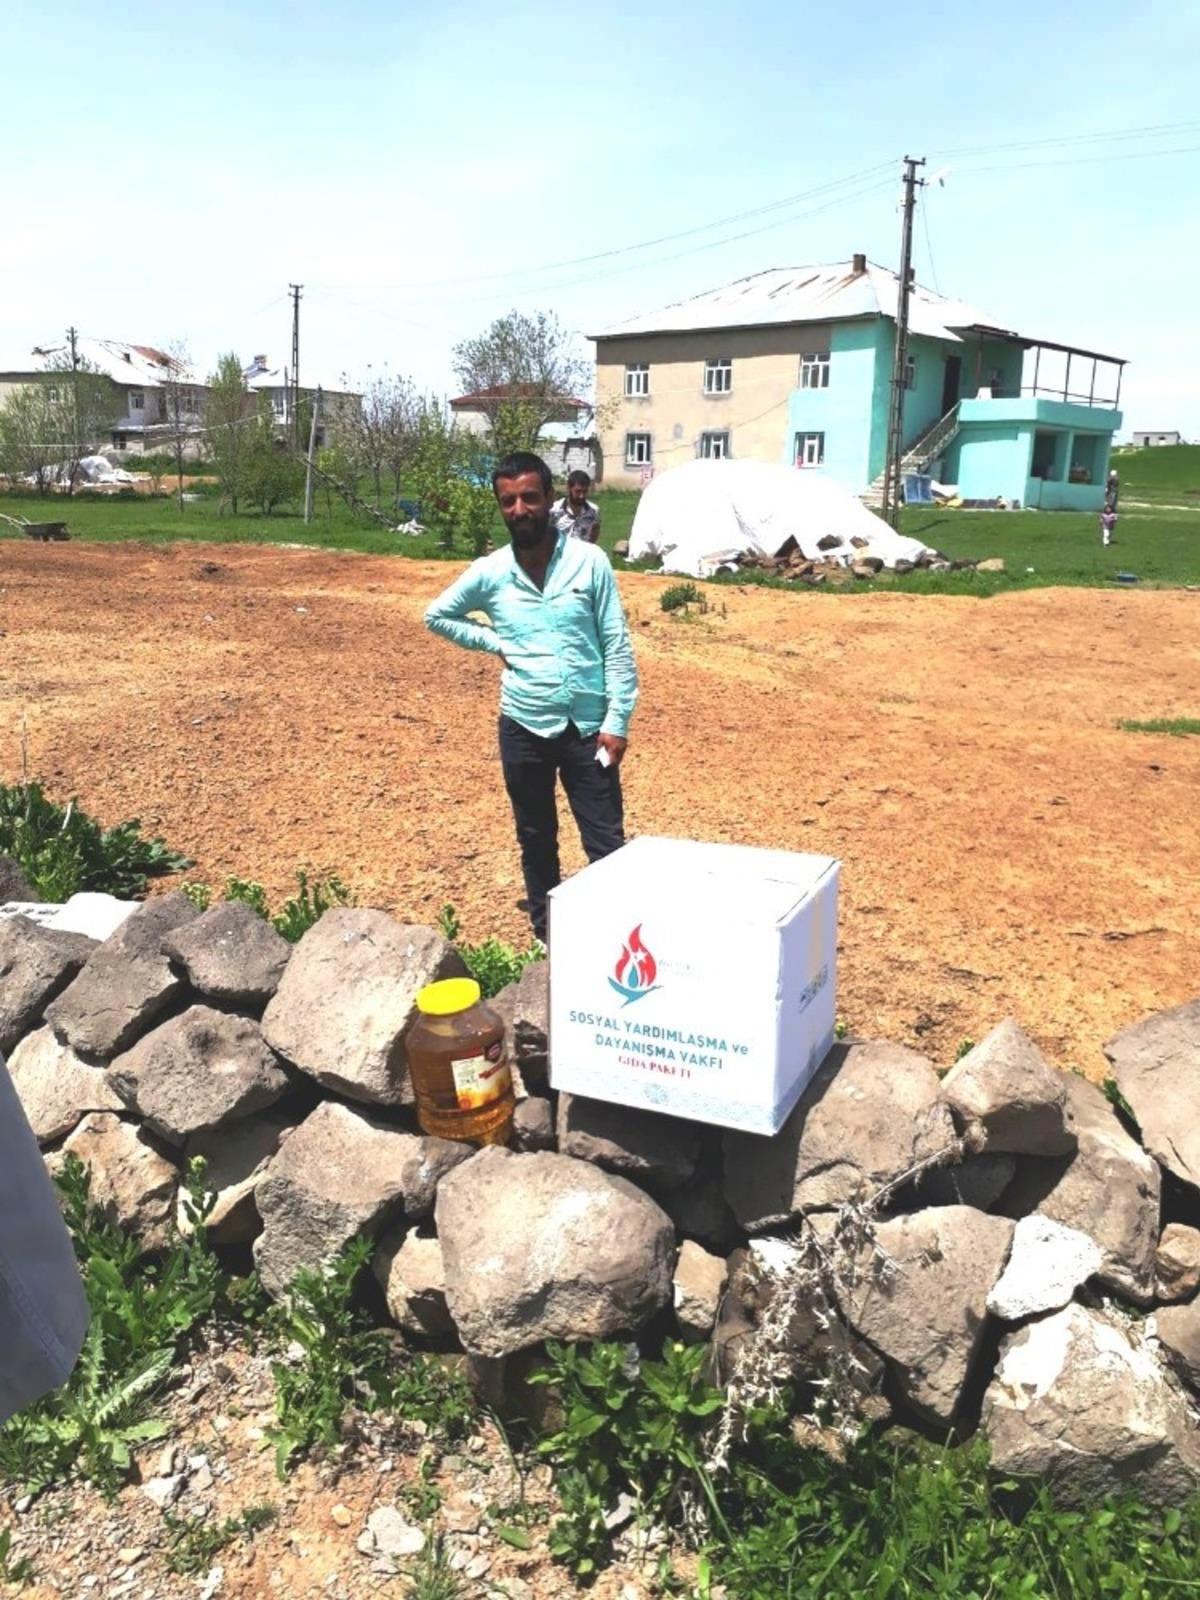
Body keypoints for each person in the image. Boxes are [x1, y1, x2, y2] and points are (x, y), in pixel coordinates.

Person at [424, 451, 637, 944]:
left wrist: (618, 719)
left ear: (550, 497)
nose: (520, 510)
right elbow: (437, 615)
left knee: (606, 841)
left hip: (589, 730)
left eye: (530, 497)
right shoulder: (492, 571)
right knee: (536, 837)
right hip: (523, 727)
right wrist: (494, 641)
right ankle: (548, 936)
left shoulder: (590, 563)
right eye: (508, 501)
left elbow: (617, 646)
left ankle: (620, 937)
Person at [550, 469, 601, 543]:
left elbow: (595, 532)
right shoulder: (554, 510)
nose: (581, 496)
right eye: (578, 491)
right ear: (568, 488)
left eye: (585, 491)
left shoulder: (594, 511)